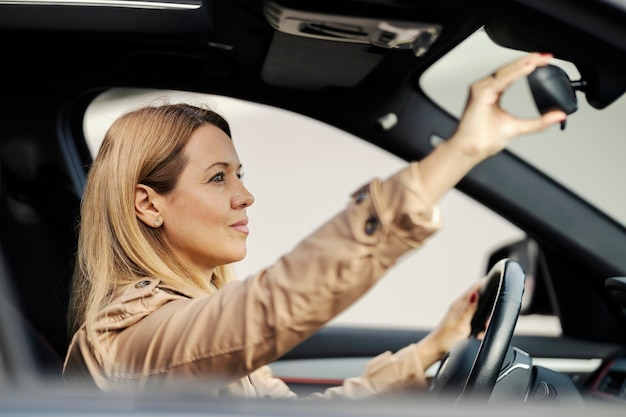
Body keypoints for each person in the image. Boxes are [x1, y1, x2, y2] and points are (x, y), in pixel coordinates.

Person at [62, 53, 566, 398]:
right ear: (148, 205)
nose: (245, 195)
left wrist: (436, 346)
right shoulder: (126, 339)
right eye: (218, 178)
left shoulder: (194, 320)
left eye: (240, 174)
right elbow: (273, 303)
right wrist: (463, 150)